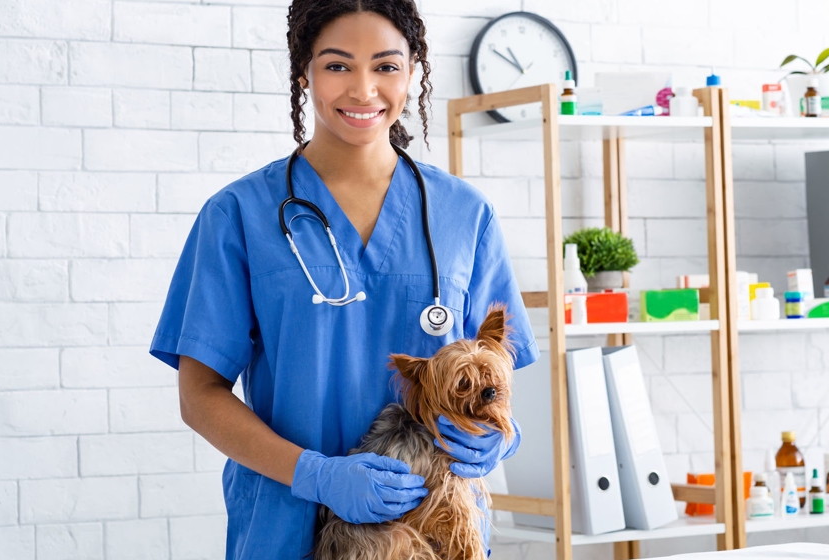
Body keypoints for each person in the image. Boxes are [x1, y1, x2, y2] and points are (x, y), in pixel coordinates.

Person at [149, 0, 539, 557]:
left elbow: (496, 365)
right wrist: (316, 476)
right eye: (337, 65)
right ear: (302, 70)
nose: (362, 90)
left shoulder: (464, 214)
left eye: (385, 66)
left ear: (412, 72)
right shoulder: (239, 214)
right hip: (288, 526)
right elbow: (200, 395)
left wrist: (499, 437)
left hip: (437, 528)